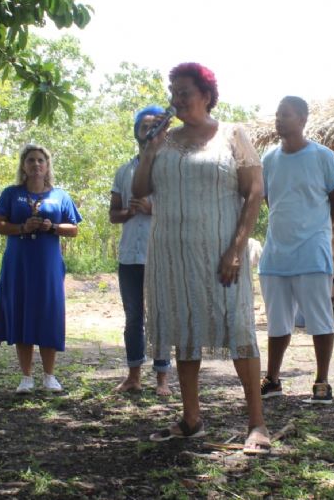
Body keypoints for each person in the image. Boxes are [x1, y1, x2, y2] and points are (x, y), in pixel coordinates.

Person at [132, 62, 270, 454]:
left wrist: (237, 248)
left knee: (239, 329)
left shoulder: (233, 136)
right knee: (183, 330)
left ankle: (257, 423)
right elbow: (140, 190)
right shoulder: (164, 140)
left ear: (206, 95)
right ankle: (191, 419)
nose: (176, 99)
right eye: (173, 92)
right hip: (171, 253)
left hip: (221, 253)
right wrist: (149, 150)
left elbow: (254, 192)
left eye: (184, 92)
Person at [258, 96, 334, 404]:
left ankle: (322, 382)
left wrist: (316, 229)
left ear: (303, 119)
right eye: (278, 114)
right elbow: (271, 201)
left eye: (286, 114)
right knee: (277, 321)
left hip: (312, 252)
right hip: (276, 253)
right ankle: (272, 380)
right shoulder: (268, 159)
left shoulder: (323, 157)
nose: (279, 119)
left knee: (320, 319)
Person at [0, 145, 82, 394]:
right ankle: (26, 377)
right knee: (21, 311)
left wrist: (52, 227)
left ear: (47, 165)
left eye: (41, 160)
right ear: (23, 166)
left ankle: (50, 376)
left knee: (48, 312)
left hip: (47, 265)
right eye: (30, 160)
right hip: (18, 263)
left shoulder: (60, 196)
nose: (36, 164)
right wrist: (22, 227)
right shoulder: (11, 194)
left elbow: (73, 229)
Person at [110, 106, 172, 396]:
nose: (149, 130)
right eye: (144, 126)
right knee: (133, 316)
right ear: (136, 131)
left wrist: (151, 208)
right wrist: (128, 211)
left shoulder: (171, 167)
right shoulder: (124, 170)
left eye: (154, 125)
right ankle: (133, 375)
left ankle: (162, 379)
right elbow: (113, 214)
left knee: (160, 316)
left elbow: (181, 210)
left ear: (163, 130)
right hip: (130, 257)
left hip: (161, 253)